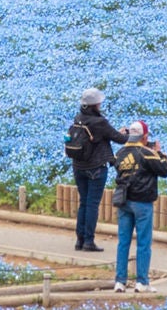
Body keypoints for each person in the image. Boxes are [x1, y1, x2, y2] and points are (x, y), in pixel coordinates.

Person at [110, 120, 167, 292]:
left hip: (124, 201)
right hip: (142, 202)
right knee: (143, 243)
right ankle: (142, 281)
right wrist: (160, 153)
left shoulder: (120, 153)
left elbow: (117, 166)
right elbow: (165, 170)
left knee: (123, 242)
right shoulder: (147, 153)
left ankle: (120, 281)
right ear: (144, 137)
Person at [68, 87, 128, 252]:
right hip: (96, 168)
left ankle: (80, 240)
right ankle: (89, 241)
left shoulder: (78, 118)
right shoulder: (100, 122)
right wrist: (130, 134)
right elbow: (120, 139)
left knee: (84, 202)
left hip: (78, 166)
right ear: (94, 105)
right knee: (92, 204)